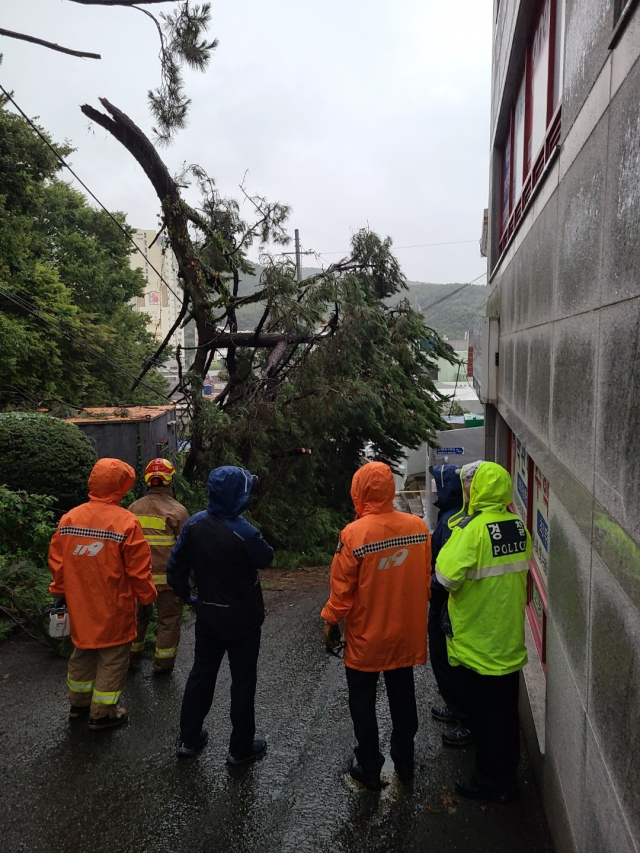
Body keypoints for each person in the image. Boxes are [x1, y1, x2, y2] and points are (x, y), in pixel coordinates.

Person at [321, 461, 431, 791]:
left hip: (366, 638)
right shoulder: (417, 527)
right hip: (404, 634)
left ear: (359, 491)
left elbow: (341, 592)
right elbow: (424, 579)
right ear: (390, 489)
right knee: (403, 700)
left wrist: (330, 622)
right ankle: (405, 763)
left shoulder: (354, 534)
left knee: (363, 705)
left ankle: (369, 766)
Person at [435, 461, 531, 803]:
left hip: (479, 641)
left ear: (476, 491)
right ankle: (506, 778)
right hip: (508, 639)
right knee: (506, 716)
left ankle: (489, 782)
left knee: (486, 719)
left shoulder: (472, 530)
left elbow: (445, 578)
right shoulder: (517, 526)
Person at [167, 466, 274, 762]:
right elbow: (266, 557)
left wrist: (186, 595)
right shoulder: (245, 532)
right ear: (239, 496)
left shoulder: (194, 524)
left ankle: (189, 738)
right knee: (243, 682)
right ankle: (240, 749)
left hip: (208, 615)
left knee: (201, 675)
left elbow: (175, 566)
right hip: (244, 620)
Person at [48, 458, 156, 730]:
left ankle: (78, 705)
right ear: (122, 486)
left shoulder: (70, 518)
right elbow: (138, 570)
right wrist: (147, 599)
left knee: (82, 652)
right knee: (113, 657)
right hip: (114, 606)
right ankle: (103, 714)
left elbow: (58, 563)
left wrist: (60, 592)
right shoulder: (126, 522)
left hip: (80, 604)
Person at [128, 459, 189, 673]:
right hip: (169, 582)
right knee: (169, 621)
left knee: (136, 619)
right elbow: (186, 550)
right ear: (170, 480)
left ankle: (131, 659)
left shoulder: (133, 508)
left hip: (138, 580)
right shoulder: (178, 511)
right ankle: (163, 666)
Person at [427, 464, 472, 746]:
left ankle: (462, 716)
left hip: (445, 600)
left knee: (444, 658)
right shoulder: (463, 514)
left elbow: (443, 569)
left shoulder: (449, 522)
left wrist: (428, 589)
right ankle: (457, 708)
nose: (434, 490)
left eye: (437, 484)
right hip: (460, 601)